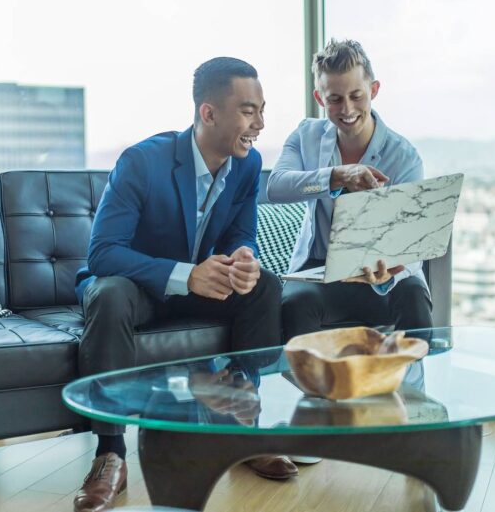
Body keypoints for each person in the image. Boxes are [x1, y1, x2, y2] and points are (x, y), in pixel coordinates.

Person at [72, 57, 293, 512]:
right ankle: (110, 454)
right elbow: (103, 253)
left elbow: (240, 233)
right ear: (208, 113)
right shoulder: (142, 161)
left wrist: (244, 257)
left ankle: (242, 425)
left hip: (199, 288)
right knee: (109, 294)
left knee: (264, 287)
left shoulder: (248, 166)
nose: (261, 123)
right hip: (136, 288)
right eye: (249, 110)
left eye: (262, 109)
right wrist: (184, 274)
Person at [267, 39, 433, 342]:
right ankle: (312, 390)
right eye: (335, 99)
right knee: (295, 303)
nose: (347, 109)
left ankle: (413, 388)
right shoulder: (306, 136)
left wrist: (390, 270)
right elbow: (276, 187)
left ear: (374, 90)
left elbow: (412, 243)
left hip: (381, 274)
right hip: (319, 272)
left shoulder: (404, 157)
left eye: (356, 95)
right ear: (319, 97)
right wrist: (337, 176)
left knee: (413, 295)